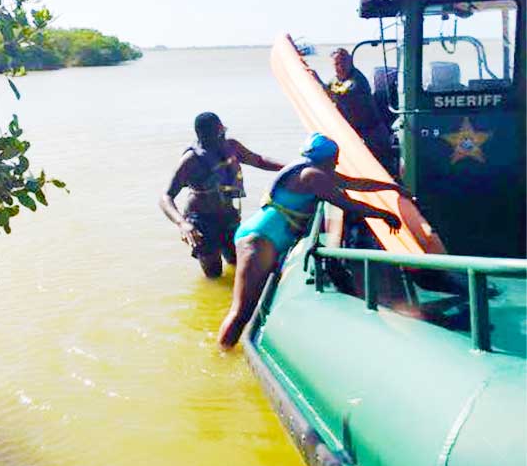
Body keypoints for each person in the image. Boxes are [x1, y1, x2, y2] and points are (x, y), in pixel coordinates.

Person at [217, 132, 405, 348]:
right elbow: (346, 203)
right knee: (241, 312)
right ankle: (222, 355)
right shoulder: (312, 176)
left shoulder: (313, 170)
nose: (337, 162)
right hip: (259, 240)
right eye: (336, 157)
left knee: (248, 309)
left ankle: (229, 348)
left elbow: (356, 184)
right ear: (326, 158)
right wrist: (384, 214)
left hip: (264, 236)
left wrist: (391, 188)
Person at [159, 112, 283, 279]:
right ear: (203, 135)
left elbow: (259, 160)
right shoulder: (191, 160)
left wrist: (290, 167)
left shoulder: (232, 147)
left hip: (228, 215)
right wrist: (182, 224)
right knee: (213, 274)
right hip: (202, 222)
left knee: (238, 262)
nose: (222, 134)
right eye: (217, 132)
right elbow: (166, 197)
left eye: (221, 130)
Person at [323, 48, 394, 173]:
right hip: (354, 133)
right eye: (337, 64)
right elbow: (327, 93)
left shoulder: (357, 80)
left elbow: (341, 95)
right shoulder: (334, 81)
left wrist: (318, 81)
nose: (341, 66)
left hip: (372, 132)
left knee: (382, 167)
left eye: (344, 61)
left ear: (350, 61)